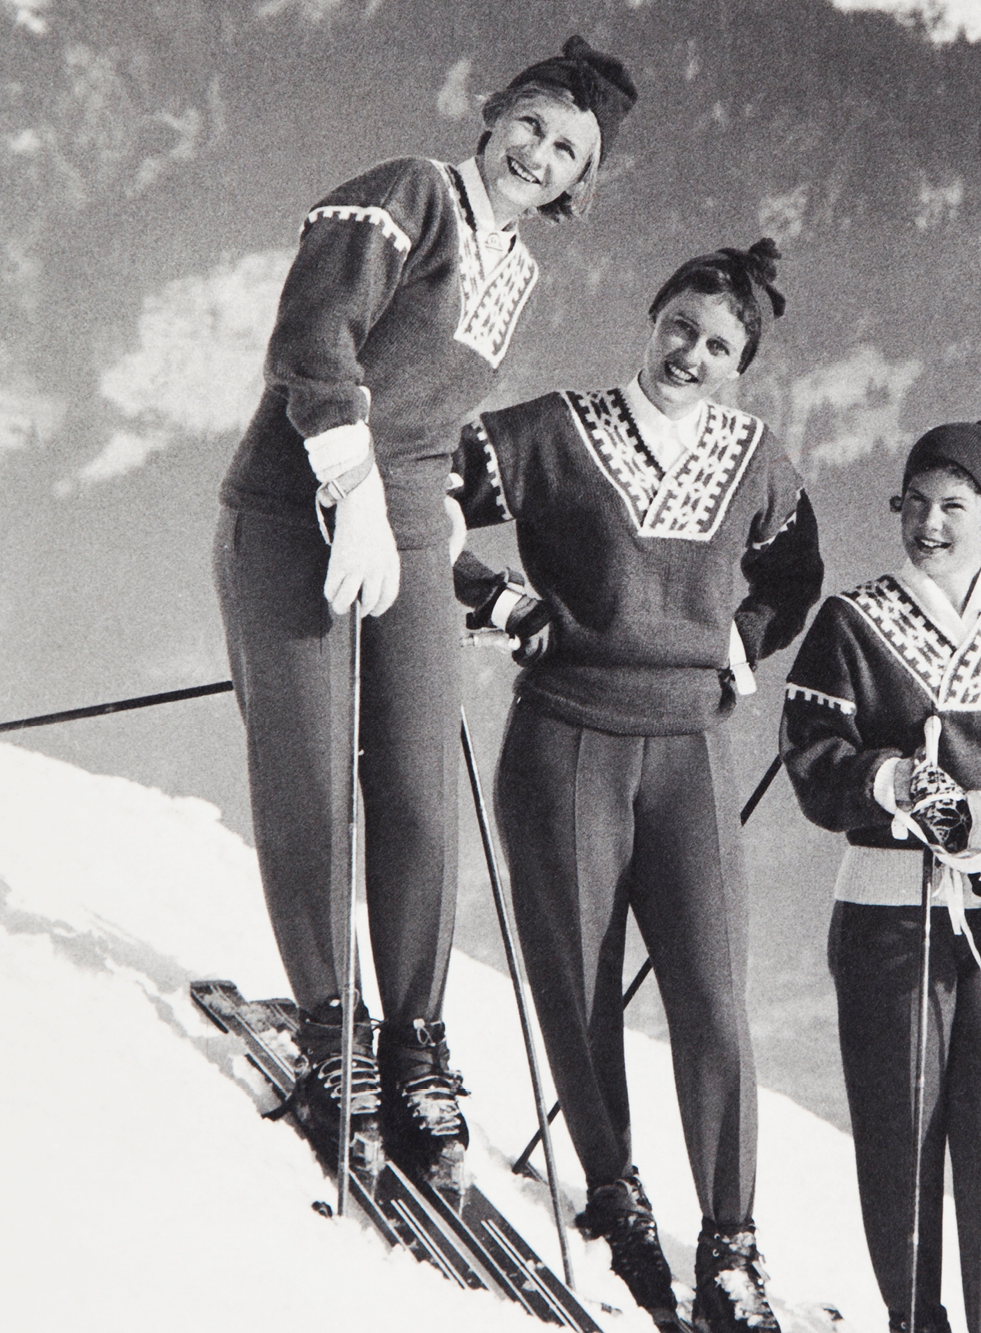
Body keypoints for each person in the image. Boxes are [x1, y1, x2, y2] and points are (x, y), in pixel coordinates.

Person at [211, 37, 636, 1190]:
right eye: (532, 123)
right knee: (311, 779)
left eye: (568, 150)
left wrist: (460, 555)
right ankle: (329, 1026)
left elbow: (431, 431)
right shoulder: (409, 194)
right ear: (494, 113)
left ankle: (413, 1041)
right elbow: (313, 340)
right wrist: (348, 491)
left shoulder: (517, 270)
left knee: (414, 787)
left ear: (579, 180)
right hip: (291, 512)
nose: (538, 154)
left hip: (397, 530)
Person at [449, 240, 822, 1333]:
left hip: (689, 751)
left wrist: (739, 644)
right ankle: (614, 1197)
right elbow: (419, 488)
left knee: (712, 998)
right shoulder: (552, 431)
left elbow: (795, 573)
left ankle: (730, 1246)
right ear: (652, 319)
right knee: (578, 987)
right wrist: (497, 599)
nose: (690, 355)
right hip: (565, 741)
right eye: (679, 328)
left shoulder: (756, 459)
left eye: (719, 347)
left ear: (741, 365)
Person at [780, 417, 981, 1333]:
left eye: (953, 506)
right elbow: (813, 755)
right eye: (914, 502)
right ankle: (914, 1317)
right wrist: (897, 782)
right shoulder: (851, 623)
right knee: (900, 1132)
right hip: (889, 912)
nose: (929, 523)